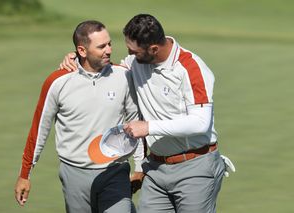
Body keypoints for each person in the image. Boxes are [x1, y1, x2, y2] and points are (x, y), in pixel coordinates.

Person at [60, 14, 235, 213]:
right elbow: (111, 70)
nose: (128, 54)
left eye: (133, 50)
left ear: (153, 49)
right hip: (156, 169)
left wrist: (148, 127)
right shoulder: (136, 62)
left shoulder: (190, 68)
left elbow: (200, 122)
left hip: (194, 168)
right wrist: (79, 58)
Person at [14, 20, 144, 213]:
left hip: (115, 171)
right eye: (101, 46)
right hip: (74, 174)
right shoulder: (57, 82)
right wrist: (25, 174)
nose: (108, 50)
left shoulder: (123, 76)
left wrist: (140, 167)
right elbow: (39, 130)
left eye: (109, 44)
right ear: (82, 51)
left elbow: (136, 125)